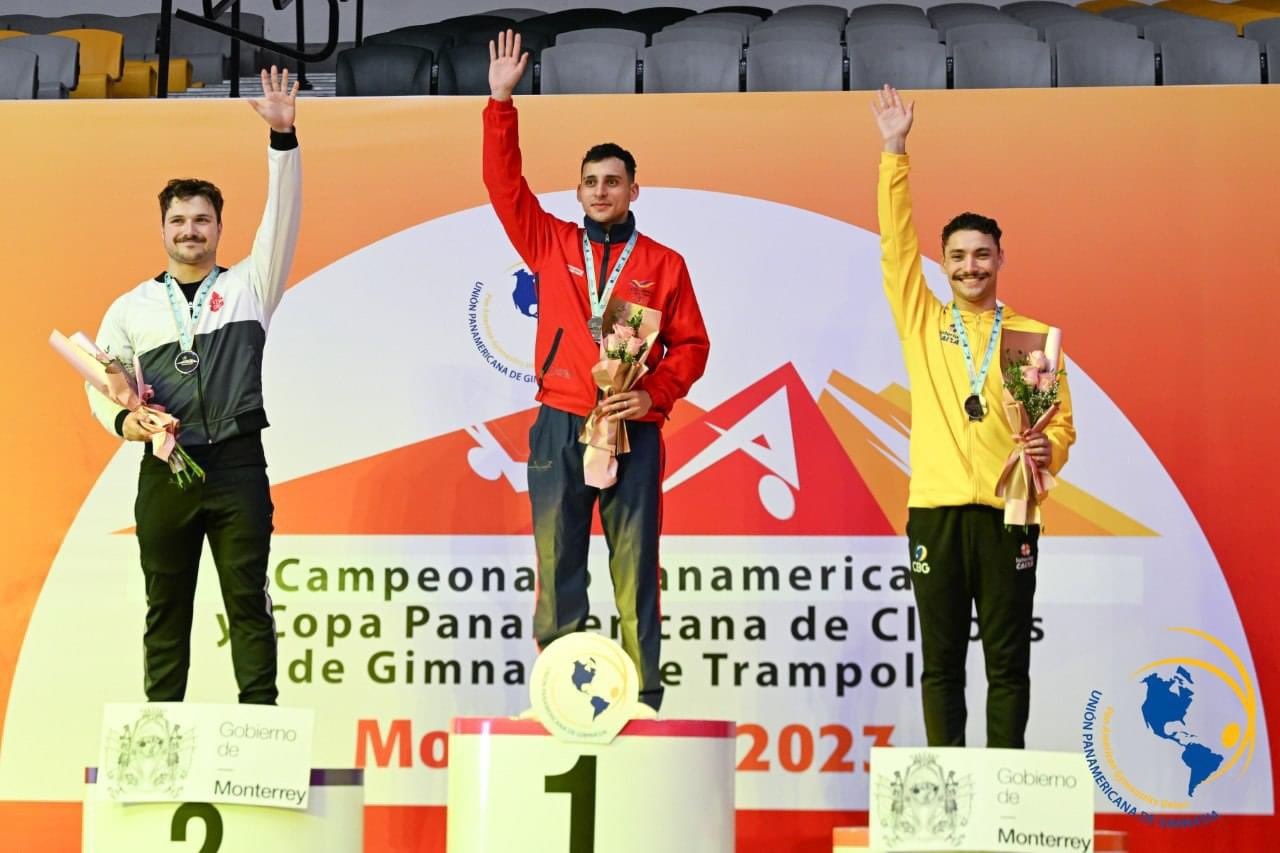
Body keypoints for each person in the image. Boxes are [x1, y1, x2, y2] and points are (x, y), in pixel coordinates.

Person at [484, 31, 710, 714]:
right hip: (559, 423)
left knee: (636, 570)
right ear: (578, 191)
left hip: (632, 429)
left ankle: (643, 696)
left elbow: (692, 347)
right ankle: (560, 693)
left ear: (634, 188)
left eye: (614, 181)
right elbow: (503, 185)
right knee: (558, 569)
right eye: (591, 181)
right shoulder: (551, 241)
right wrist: (501, 102)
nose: (602, 190)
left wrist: (652, 394)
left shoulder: (663, 263)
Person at [89, 67, 302, 705]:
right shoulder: (131, 308)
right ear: (163, 228)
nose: (190, 230)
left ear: (218, 227)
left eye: (202, 220)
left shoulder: (250, 288)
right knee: (166, 608)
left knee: (248, 602)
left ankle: (260, 729)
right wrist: (129, 423)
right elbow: (103, 389)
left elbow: (284, 220)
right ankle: (163, 734)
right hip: (166, 471)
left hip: (237, 463)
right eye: (179, 220)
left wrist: (283, 140)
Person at [870, 85, 1075, 748]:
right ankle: (950, 788)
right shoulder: (925, 321)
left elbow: (1059, 427)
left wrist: (1051, 455)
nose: (968, 266)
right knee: (941, 664)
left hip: (1010, 512)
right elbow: (896, 248)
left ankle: (1006, 789)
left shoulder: (1028, 339)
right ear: (944, 263)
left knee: (1008, 665)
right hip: (935, 511)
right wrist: (894, 152)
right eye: (956, 256)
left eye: (981, 254)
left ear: (1000, 259)